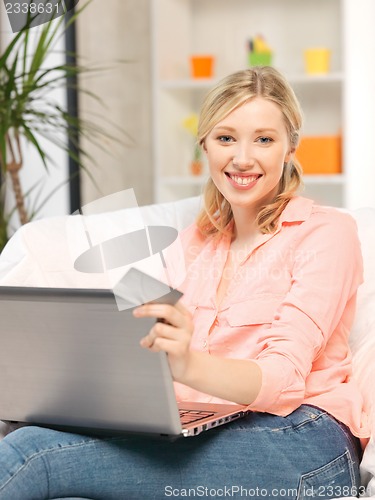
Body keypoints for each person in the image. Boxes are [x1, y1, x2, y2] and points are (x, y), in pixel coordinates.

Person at [0, 66, 370, 499]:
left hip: (304, 439)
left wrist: (187, 365)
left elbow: (281, 379)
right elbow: (154, 346)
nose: (243, 158)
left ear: (291, 146)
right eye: (226, 137)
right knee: (31, 430)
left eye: (264, 139)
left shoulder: (326, 233)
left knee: (31, 454)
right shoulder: (197, 241)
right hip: (210, 422)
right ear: (205, 146)